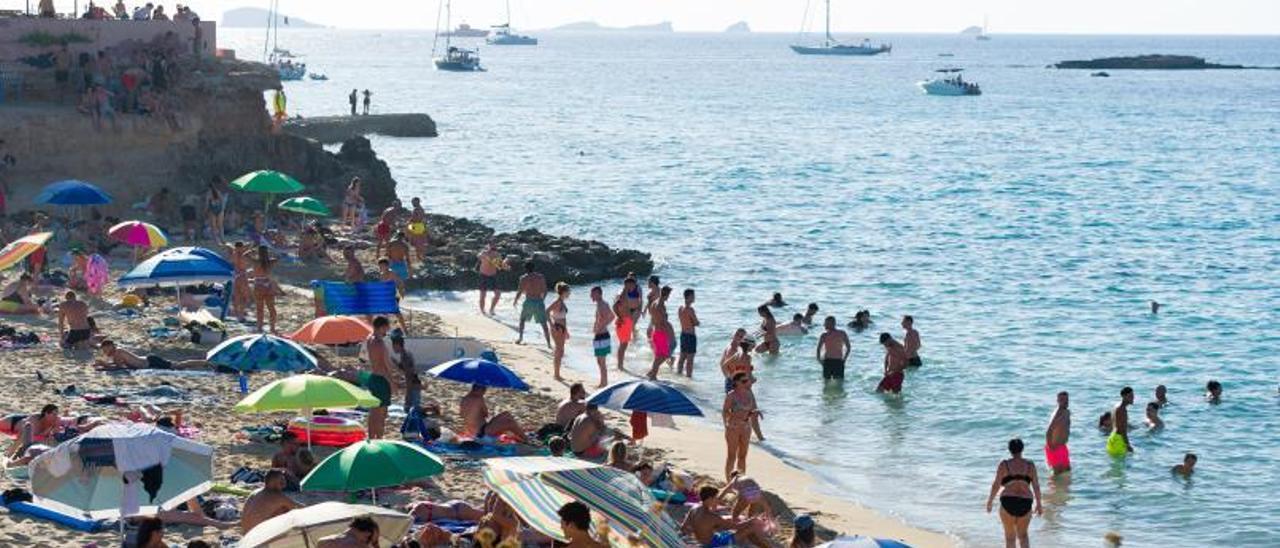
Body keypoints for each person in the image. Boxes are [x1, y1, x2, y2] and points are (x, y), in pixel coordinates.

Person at [985, 439, 1043, 548]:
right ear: (1022, 449)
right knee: (1023, 536)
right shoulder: (1030, 465)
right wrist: (1039, 504)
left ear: (1010, 450)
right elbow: (1036, 486)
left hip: (1008, 502)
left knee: (1010, 537)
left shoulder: (1004, 465)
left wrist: (990, 501)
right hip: (1025, 503)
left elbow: (996, 485)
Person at [680, 485, 771, 548]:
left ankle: (753, 541)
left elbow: (684, 527)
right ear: (709, 499)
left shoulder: (694, 508)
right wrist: (752, 519)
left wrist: (697, 530)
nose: (717, 500)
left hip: (704, 540)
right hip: (715, 543)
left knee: (731, 521)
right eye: (716, 498)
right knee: (751, 527)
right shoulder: (712, 517)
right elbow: (736, 526)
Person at [362, 317, 396, 439]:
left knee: (373, 413)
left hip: (373, 377)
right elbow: (387, 366)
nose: (387, 330)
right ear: (381, 327)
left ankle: (371, 438)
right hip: (382, 380)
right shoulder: (380, 344)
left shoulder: (369, 339)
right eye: (387, 327)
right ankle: (379, 439)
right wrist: (393, 383)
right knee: (381, 415)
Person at [460, 384, 527, 442]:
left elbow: (462, 415)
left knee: (506, 414)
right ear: (481, 390)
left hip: (474, 432)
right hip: (482, 433)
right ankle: (526, 439)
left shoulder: (464, 399)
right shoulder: (479, 399)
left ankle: (519, 435)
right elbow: (485, 414)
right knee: (509, 422)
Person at [93, 339, 211, 371]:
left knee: (178, 366)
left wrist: (104, 364)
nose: (104, 352)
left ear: (110, 347)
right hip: (148, 360)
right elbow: (118, 365)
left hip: (150, 362)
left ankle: (204, 362)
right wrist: (104, 365)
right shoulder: (116, 352)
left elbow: (118, 367)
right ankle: (204, 362)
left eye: (105, 349)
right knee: (177, 365)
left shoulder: (118, 352)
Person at [723, 372, 758, 479]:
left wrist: (755, 412)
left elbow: (751, 410)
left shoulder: (749, 393)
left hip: (746, 427)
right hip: (733, 427)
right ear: (736, 382)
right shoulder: (731, 395)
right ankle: (729, 481)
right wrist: (727, 424)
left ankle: (741, 480)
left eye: (747, 380)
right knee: (731, 456)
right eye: (744, 381)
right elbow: (725, 411)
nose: (747, 383)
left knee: (743, 456)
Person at [513, 261, 550, 346]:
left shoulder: (523, 278)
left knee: (522, 320)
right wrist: (542, 300)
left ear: (526, 269)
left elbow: (520, 291)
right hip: (539, 301)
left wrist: (515, 300)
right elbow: (545, 291)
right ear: (533, 268)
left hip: (529, 301)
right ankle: (548, 343)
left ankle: (520, 338)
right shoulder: (541, 277)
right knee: (544, 323)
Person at [612, 275, 643, 371]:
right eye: (633, 284)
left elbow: (615, 306)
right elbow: (615, 306)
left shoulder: (625, 293)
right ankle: (620, 366)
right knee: (623, 345)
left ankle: (620, 365)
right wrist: (620, 316)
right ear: (628, 284)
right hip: (624, 321)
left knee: (623, 344)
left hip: (625, 320)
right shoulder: (623, 293)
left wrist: (619, 316)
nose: (634, 286)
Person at [646, 286, 675, 380]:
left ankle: (652, 373)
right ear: (666, 294)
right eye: (669, 295)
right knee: (664, 355)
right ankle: (652, 374)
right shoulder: (660, 305)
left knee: (660, 355)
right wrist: (670, 335)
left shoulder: (654, 303)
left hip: (656, 332)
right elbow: (663, 322)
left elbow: (653, 319)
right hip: (661, 333)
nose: (669, 297)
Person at [589, 286, 614, 387]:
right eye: (591, 294)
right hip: (601, 335)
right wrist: (597, 328)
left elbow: (611, 317)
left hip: (602, 335)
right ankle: (603, 382)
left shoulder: (601, 305)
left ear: (599, 294)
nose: (591, 296)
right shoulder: (602, 304)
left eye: (593, 294)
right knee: (600, 361)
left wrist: (600, 327)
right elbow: (612, 316)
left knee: (601, 362)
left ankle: (604, 383)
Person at [251, 245, 279, 334]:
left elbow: (244, 255)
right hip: (268, 286)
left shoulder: (255, 261)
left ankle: (259, 328)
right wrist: (271, 253)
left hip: (258, 285)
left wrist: (252, 251)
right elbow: (279, 257)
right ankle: (272, 328)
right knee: (271, 309)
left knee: (259, 309)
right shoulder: (270, 262)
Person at [814, 316, 850, 380]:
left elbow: (818, 349)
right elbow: (848, 348)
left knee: (827, 383)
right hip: (837, 361)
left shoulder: (824, 335)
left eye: (826, 323)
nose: (824, 325)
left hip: (829, 361)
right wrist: (844, 359)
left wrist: (819, 360)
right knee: (839, 383)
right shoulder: (842, 333)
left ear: (832, 324)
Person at [392, 334, 421, 411]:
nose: (393, 348)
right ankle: (431, 408)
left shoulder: (405, 355)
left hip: (413, 384)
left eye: (393, 346)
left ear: (397, 345)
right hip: (413, 383)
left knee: (412, 409)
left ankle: (432, 408)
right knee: (412, 408)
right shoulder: (405, 354)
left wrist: (402, 384)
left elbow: (408, 372)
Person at [548, 282, 571, 381]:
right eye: (568, 291)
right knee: (559, 351)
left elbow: (563, 318)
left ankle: (557, 374)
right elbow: (546, 312)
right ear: (563, 292)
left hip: (561, 328)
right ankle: (556, 375)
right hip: (557, 328)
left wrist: (566, 331)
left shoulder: (561, 302)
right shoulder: (557, 302)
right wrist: (552, 325)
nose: (569, 293)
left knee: (560, 351)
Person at [1045, 391, 1071, 475]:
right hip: (1055, 447)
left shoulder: (1067, 412)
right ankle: (1052, 488)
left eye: (1067, 399)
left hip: (1062, 446)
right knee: (1057, 474)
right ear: (1058, 401)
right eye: (1063, 400)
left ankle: (1063, 488)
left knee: (1067, 471)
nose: (1066, 402)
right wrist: (1050, 447)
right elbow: (1048, 431)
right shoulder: (1057, 413)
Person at [676, 288, 701, 377]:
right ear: (689, 297)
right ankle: (689, 377)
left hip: (683, 334)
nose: (694, 298)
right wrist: (697, 323)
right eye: (693, 296)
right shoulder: (690, 309)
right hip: (690, 336)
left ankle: (678, 374)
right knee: (690, 360)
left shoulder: (680, 308)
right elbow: (696, 322)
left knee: (682, 357)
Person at [476, 241, 506, 315]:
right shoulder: (484, 253)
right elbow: (479, 256)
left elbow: (500, 266)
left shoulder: (497, 255)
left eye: (494, 247)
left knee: (498, 294)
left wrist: (504, 263)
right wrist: (485, 255)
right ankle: (482, 311)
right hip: (483, 275)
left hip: (493, 276)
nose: (492, 248)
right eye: (491, 246)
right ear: (488, 247)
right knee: (483, 295)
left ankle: (492, 309)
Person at [1107, 387, 1136, 457]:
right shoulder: (1122, 409)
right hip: (1118, 440)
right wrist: (1128, 444)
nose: (1133, 398)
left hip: (1112, 438)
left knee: (1116, 466)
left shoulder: (1116, 406)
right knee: (1121, 466)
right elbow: (1122, 430)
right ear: (1123, 396)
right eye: (1130, 396)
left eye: (1133, 396)